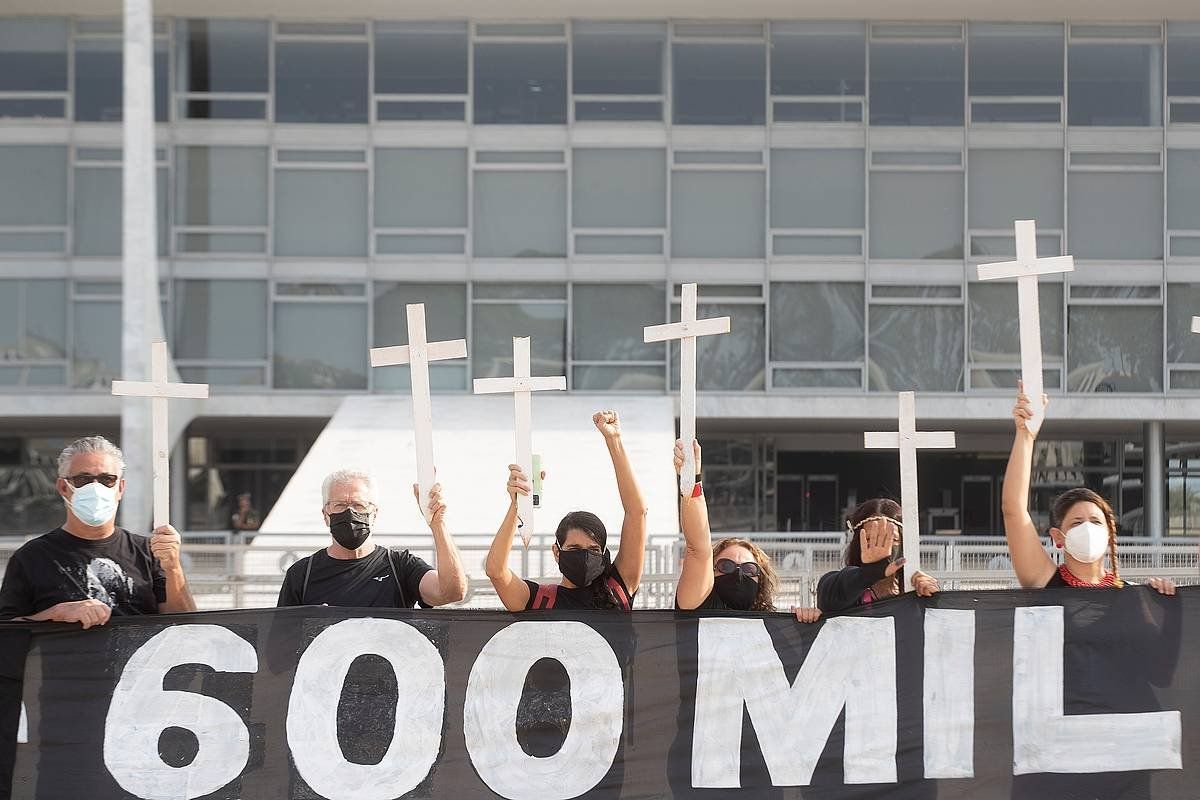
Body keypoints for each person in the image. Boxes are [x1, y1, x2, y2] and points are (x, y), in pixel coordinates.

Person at [0, 436, 196, 626]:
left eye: (107, 479)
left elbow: (186, 626)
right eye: (83, 479)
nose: (95, 488)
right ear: (63, 487)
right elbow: (7, 631)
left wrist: (173, 567)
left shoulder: (151, 552)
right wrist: (56, 614)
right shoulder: (31, 557)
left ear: (120, 488)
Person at [1002, 382, 1175, 595]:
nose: (1087, 528)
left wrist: (1162, 599)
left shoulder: (1134, 596)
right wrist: (1025, 434)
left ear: (1110, 534)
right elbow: (1014, 510)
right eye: (1076, 522)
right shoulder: (1044, 581)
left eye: (1095, 521)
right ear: (1058, 537)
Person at [485, 410, 647, 611]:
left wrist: (614, 440)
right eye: (574, 549)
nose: (585, 557)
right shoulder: (539, 600)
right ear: (556, 551)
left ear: (604, 552)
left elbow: (636, 512)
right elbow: (495, 571)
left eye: (594, 550)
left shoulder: (618, 590)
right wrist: (516, 505)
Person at [276, 469, 467, 608]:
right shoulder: (302, 574)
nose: (349, 512)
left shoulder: (400, 566)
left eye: (359, 505)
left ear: (374, 514)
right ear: (326, 514)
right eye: (340, 505)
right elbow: (280, 645)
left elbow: (451, 592)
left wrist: (438, 524)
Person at [673, 439, 780, 613]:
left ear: (760, 579)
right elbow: (698, 549)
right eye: (726, 566)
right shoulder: (696, 604)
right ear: (711, 571)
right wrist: (692, 479)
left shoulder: (773, 624)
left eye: (749, 569)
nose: (738, 574)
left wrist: (812, 618)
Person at [815, 498, 940, 614]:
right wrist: (867, 575)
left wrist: (935, 598)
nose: (883, 548)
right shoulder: (840, 587)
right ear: (857, 543)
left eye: (893, 539)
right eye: (870, 539)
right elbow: (829, 594)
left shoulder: (913, 589)